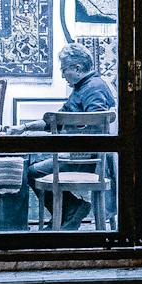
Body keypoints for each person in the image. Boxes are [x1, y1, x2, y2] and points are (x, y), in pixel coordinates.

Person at [25, 43, 117, 229]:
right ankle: (70, 211)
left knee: (33, 171)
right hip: (83, 156)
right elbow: (56, 120)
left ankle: (72, 209)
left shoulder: (93, 88)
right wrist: (24, 127)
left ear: (77, 68)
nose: (61, 75)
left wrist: (67, 127)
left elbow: (97, 124)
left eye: (64, 70)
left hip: (87, 161)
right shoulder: (84, 87)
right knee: (34, 161)